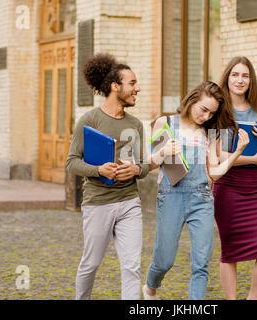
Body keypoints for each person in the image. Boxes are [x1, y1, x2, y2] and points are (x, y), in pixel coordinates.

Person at [143, 81, 249, 300]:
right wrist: (164, 152)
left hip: (201, 199)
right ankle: (150, 286)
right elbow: (150, 165)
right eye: (203, 109)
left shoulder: (209, 133)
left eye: (211, 113)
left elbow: (214, 173)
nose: (206, 116)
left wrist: (238, 152)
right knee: (165, 260)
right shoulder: (165, 123)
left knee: (201, 263)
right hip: (170, 196)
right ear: (192, 100)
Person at [66, 53, 150, 300]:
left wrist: (135, 170)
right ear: (116, 86)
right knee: (91, 263)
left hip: (129, 202)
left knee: (132, 267)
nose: (137, 88)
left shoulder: (135, 124)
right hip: (98, 203)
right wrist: (99, 170)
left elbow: (143, 164)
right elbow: (72, 162)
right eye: (132, 83)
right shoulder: (90, 120)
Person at [212, 56, 257, 300]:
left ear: (251, 80)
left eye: (245, 76)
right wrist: (250, 158)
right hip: (227, 187)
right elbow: (215, 156)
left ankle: (253, 297)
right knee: (230, 252)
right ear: (227, 78)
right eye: (235, 75)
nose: (240, 80)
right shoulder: (217, 109)